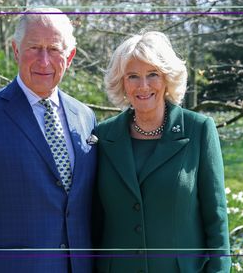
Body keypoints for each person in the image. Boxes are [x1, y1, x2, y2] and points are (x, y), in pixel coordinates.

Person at [0, 8, 97, 273]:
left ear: (70, 56)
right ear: (16, 50)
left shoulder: (86, 117)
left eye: (53, 49)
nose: (43, 60)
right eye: (34, 47)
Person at [93, 31, 231, 272]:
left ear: (167, 78)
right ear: (122, 82)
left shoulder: (198, 130)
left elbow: (216, 219)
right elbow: (93, 220)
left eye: (153, 74)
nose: (143, 86)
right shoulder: (102, 137)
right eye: (133, 76)